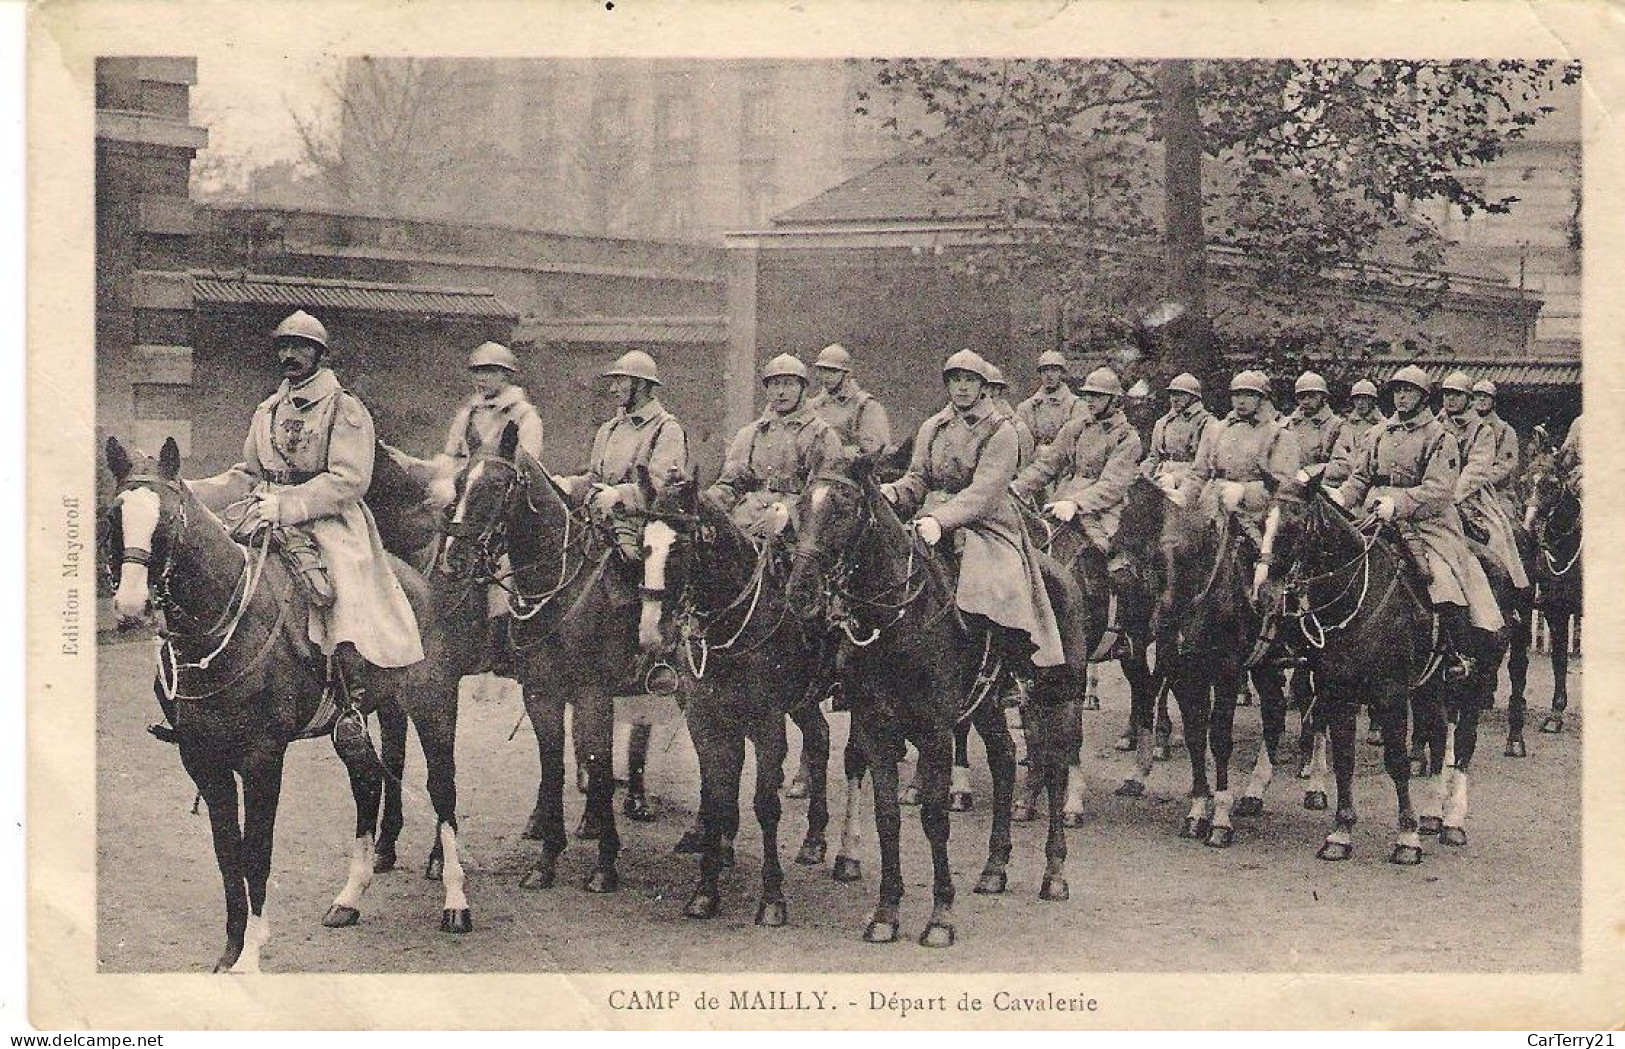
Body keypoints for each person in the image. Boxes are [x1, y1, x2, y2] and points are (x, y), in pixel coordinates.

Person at [191, 309, 423, 684]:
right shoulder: (268, 409)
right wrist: (189, 489)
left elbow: (349, 479)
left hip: (327, 518)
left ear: (320, 355)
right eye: (284, 346)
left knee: (340, 583)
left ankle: (350, 690)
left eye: (301, 347)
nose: (290, 355)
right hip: (262, 509)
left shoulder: (342, 407)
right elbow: (249, 473)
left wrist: (287, 505)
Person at [560, 349, 689, 823]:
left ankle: (657, 661)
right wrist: (567, 485)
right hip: (600, 519)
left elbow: (663, 484)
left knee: (642, 578)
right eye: (614, 382)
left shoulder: (665, 428)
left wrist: (624, 495)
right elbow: (594, 477)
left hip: (640, 525)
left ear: (644, 387)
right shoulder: (609, 428)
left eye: (623, 382)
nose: (614, 388)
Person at [882, 350, 1066, 670]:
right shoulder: (932, 426)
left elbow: (986, 491)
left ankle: (1002, 665)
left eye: (970, 380)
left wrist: (941, 520)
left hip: (987, 523)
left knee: (998, 580)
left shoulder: (1001, 430)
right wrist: (894, 493)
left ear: (983, 386)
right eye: (955, 380)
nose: (962, 387)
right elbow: (918, 477)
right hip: (929, 517)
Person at [1331, 365, 1504, 679]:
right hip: (1373, 515)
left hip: (1428, 523)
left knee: (1440, 577)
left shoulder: (1440, 437)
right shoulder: (1378, 433)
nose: (1402, 396)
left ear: (1423, 397)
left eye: (1409, 391)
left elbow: (1440, 490)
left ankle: (1456, 652)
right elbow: (1360, 476)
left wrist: (1398, 503)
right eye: (1398, 390)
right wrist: (1342, 497)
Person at [437, 341, 546, 677]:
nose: (481, 379)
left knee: (504, 561)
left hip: (505, 501)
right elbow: (452, 456)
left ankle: (501, 641)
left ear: (506, 375)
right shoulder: (466, 415)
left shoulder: (524, 416)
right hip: (469, 494)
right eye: (478, 372)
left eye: (489, 372)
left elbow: (526, 466)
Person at [1012, 366, 1143, 642]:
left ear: (1114, 401)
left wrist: (1076, 503)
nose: (1091, 401)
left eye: (1098, 396)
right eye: (1087, 395)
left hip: (1106, 510)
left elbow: (1113, 485)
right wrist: (1016, 488)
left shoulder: (1126, 436)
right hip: (1064, 501)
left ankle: (1122, 631)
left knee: (1112, 562)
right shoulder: (1075, 428)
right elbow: (1047, 465)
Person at [708, 354, 844, 539]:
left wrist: (790, 513)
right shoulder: (750, 434)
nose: (780, 392)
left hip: (798, 528)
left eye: (788, 384)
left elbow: (826, 493)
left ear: (802, 389)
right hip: (747, 519)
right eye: (774, 384)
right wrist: (707, 503)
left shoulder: (821, 434)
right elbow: (729, 483)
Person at [1184, 370, 1302, 546]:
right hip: (1211, 509)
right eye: (1236, 395)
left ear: (1261, 399)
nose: (1241, 401)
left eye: (1249, 395)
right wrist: (1183, 495)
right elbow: (1199, 473)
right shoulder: (1216, 429)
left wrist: (1244, 491)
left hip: (1255, 517)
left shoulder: (1279, 434)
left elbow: (1284, 486)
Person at [1439, 370, 1529, 594]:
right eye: (1447, 394)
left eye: (1457, 395)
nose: (1451, 399)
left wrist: (1452, 496)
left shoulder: (1486, 431)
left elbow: (1479, 469)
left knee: (1498, 538)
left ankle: (1508, 593)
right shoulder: (1434, 425)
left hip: (1473, 495)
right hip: (1434, 491)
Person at [806, 343, 892, 459]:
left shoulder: (865, 406)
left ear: (846, 374)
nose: (826, 376)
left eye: (833, 371)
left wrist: (840, 452)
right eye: (822, 370)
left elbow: (875, 451)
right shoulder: (813, 405)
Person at [1141, 372, 1212, 487]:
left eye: (1181, 394)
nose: (1175, 399)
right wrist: (1142, 472)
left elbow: (1202, 467)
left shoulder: (1206, 422)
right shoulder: (1162, 423)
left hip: (1190, 480)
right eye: (1172, 394)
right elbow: (1153, 457)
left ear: (1194, 397)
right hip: (1161, 475)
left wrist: (1176, 479)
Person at [1284, 371, 1354, 484]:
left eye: (1312, 396)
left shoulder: (1337, 426)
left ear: (1323, 397)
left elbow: (1344, 466)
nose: (1306, 401)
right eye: (1301, 397)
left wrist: (1311, 472)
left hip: (1320, 487)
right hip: (1288, 486)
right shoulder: (1287, 425)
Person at [1017, 350, 1086, 459]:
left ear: (1062, 373)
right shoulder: (1027, 407)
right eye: (1045, 371)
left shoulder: (1076, 405)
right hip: (1035, 463)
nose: (1049, 375)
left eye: (1054, 370)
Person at [1471, 379, 1522, 520]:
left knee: (1504, 522)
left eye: (1486, 396)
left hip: (1495, 491)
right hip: (1461, 489)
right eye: (1477, 396)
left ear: (1493, 402)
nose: (1481, 399)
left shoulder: (1505, 431)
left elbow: (1505, 466)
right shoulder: (1464, 428)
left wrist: (1476, 482)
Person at [985, 364, 1037, 467]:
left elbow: (1015, 422)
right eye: (989, 387)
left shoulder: (1002, 405)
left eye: (997, 388)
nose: (993, 392)